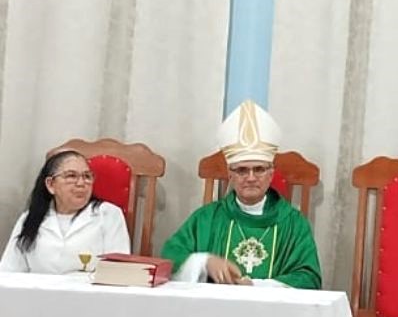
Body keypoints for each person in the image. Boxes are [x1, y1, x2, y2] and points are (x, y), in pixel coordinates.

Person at [161, 100, 321, 289]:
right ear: (230, 175)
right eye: (242, 170)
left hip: (272, 316)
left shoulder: (294, 223)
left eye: (259, 169)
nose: (251, 178)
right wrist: (204, 262)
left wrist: (256, 286)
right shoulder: (207, 218)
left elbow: (308, 278)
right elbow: (169, 257)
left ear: (271, 174)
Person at [0, 150, 130, 273]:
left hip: (89, 295)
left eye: (87, 176)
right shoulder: (29, 218)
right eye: (71, 176)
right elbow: (9, 271)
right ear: (51, 184)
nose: (81, 183)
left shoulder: (109, 215)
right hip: (37, 294)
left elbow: (117, 273)